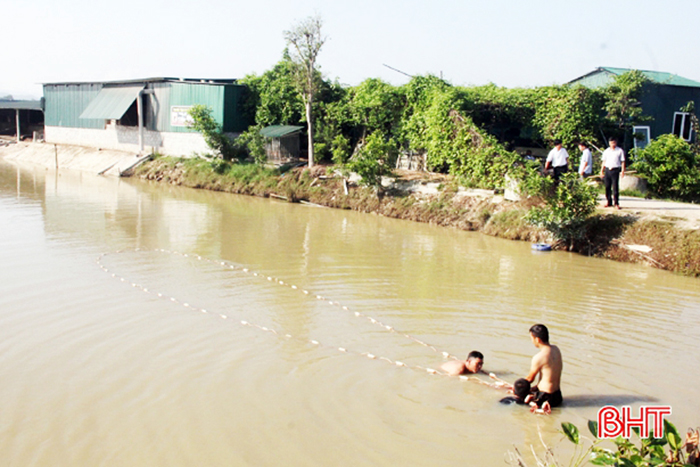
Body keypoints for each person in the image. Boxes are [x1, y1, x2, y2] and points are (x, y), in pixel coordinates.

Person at [525, 324, 563, 411]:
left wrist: (517, 387)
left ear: (537, 339)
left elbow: (529, 379)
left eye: (532, 338)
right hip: (557, 395)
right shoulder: (556, 349)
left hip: (544, 397)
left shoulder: (539, 357)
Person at [600, 138, 625, 209]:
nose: (612, 144)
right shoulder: (606, 151)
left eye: (614, 143)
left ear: (616, 143)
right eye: (611, 143)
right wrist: (602, 171)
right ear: (609, 143)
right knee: (607, 187)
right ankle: (609, 201)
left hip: (615, 170)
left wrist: (622, 171)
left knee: (615, 187)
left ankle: (616, 203)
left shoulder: (619, 151)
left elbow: (623, 161)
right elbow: (604, 161)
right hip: (608, 170)